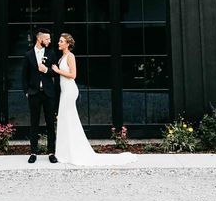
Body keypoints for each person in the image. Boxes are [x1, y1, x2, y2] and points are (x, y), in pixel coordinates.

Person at [52, 34, 135, 166]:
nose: (58, 42)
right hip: (64, 91)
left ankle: (71, 152)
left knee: (67, 118)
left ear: (67, 44)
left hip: (70, 90)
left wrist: (57, 71)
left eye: (61, 41)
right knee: (65, 119)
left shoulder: (70, 56)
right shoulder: (62, 56)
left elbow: (73, 75)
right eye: (59, 41)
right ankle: (65, 152)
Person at [22, 28, 58, 164]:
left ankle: (51, 152)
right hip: (34, 94)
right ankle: (33, 152)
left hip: (48, 93)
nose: (49, 41)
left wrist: (46, 70)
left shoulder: (51, 53)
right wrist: (27, 91)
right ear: (39, 39)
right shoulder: (28, 55)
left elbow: (55, 73)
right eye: (47, 39)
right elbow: (24, 76)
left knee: (50, 123)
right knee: (34, 123)